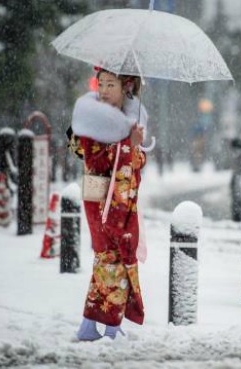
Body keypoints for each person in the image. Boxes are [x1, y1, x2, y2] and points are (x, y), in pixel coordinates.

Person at [70, 68, 149, 341]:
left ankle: (91, 325)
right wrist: (129, 144)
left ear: (125, 88)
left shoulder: (127, 121)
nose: (103, 90)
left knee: (109, 261)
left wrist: (134, 145)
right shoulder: (93, 119)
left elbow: (135, 163)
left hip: (119, 202)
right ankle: (109, 329)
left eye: (110, 84)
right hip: (103, 202)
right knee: (114, 260)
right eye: (101, 83)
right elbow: (98, 162)